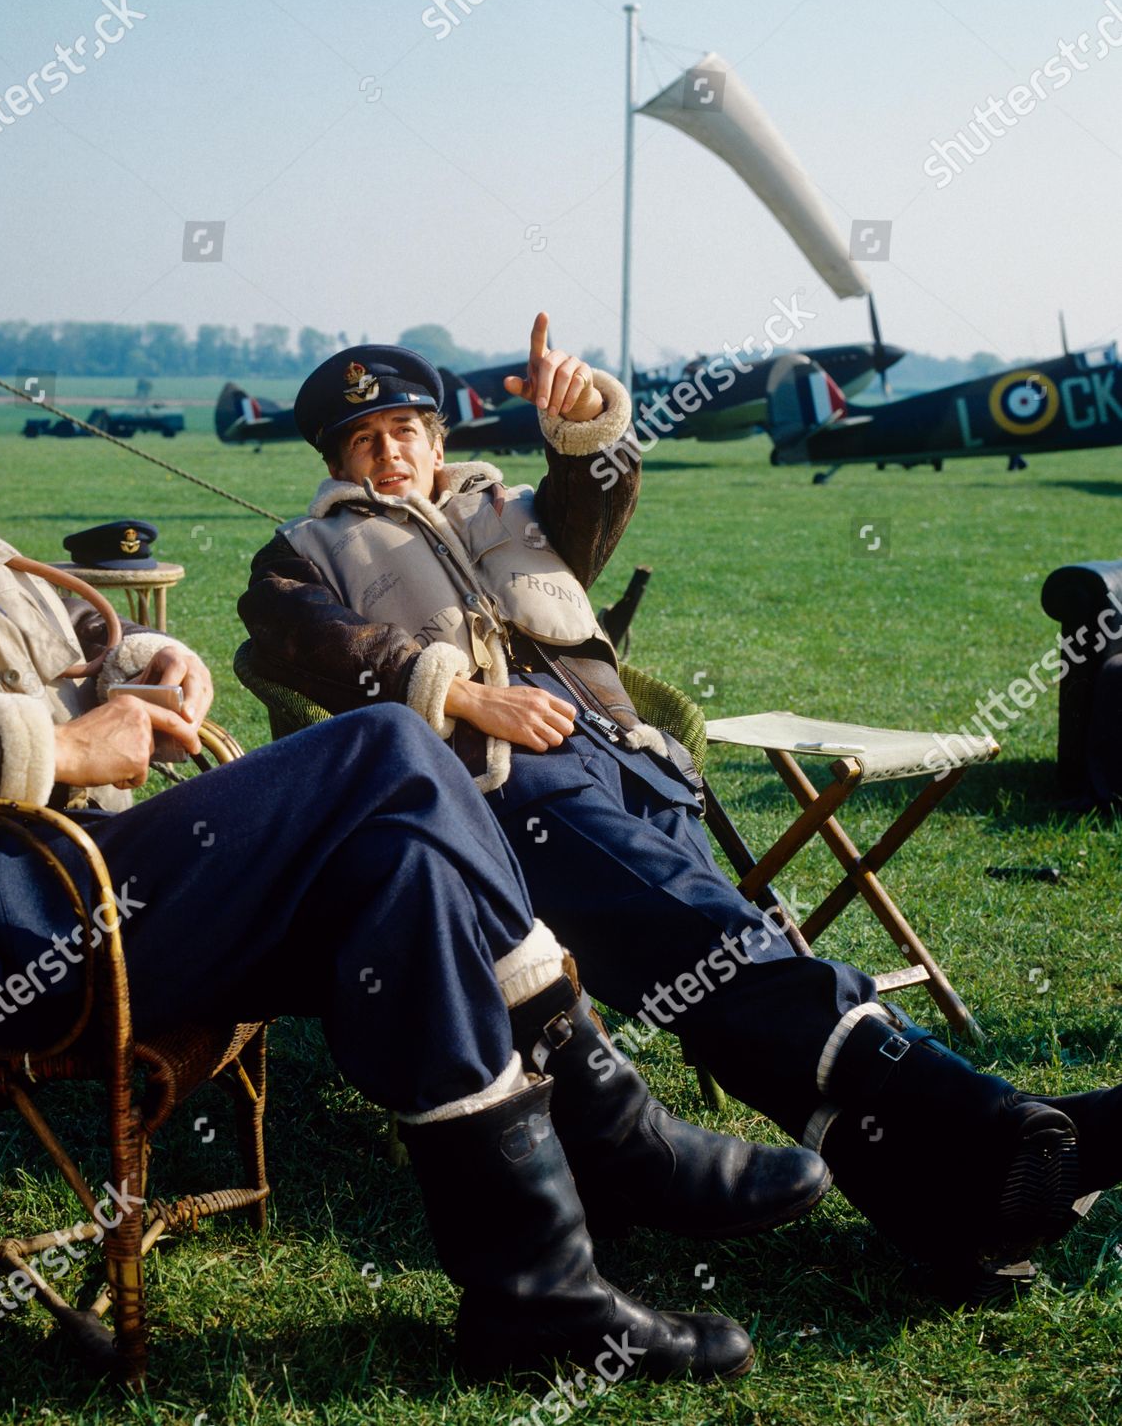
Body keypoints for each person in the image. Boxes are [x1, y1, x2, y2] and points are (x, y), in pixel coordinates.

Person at [0, 286, 828, 1383]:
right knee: (389, 750)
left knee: (400, 866)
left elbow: (68, 636)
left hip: (48, 884)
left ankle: (537, 1294)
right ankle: (610, 1129)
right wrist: (56, 747)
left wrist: (137, 663)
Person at [238, 316, 1122, 1299]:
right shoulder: (308, 549)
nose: (391, 450)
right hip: (498, 792)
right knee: (719, 949)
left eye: (406, 429)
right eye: (365, 440)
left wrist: (585, 426)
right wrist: (454, 689)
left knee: (714, 977)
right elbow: (289, 638)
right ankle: (996, 1118)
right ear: (335, 461)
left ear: (442, 441)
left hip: (637, 769)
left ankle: (950, 1214)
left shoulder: (513, 511)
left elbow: (597, 496)